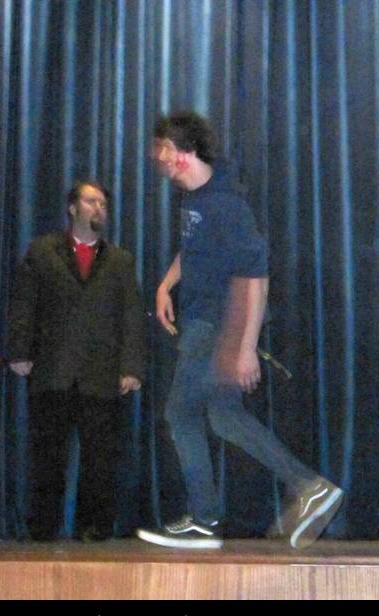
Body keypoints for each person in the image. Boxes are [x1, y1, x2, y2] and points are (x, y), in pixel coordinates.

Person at [136, 111, 342, 550]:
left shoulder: (227, 205)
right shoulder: (195, 200)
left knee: (181, 414)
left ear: (183, 152)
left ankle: (205, 519)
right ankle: (309, 486)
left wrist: (246, 348)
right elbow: (194, 249)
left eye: (164, 149)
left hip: (216, 323)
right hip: (205, 320)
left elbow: (257, 277)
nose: (158, 157)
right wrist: (165, 284)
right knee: (225, 416)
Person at [7, 180, 146, 541]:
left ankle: (94, 529)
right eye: (90, 201)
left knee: (100, 459)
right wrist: (19, 351)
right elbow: (24, 303)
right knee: (47, 456)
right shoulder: (42, 251)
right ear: (72, 208)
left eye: (103, 204)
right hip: (52, 368)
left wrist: (131, 367)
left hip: (101, 373)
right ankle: (42, 528)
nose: (98, 208)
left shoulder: (120, 260)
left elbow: (132, 315)